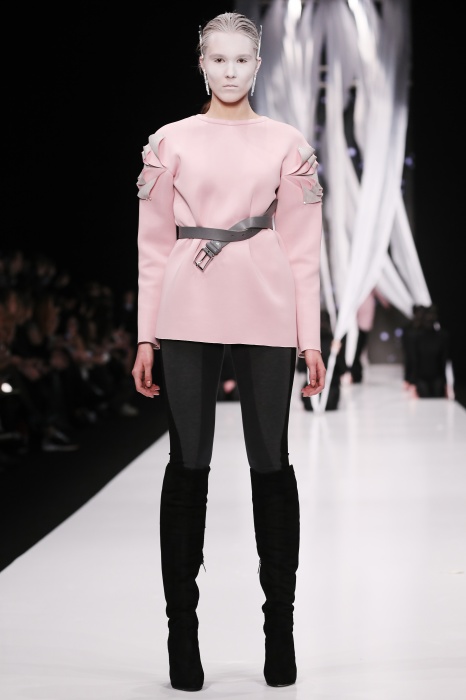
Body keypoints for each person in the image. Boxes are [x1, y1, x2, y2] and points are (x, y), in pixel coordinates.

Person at [131, 12, 325, 692]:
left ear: (259, 63)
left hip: (267, 306)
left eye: (243, 58)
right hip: (186, 304)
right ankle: (182, 637)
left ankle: (280, 633)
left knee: (271, 465)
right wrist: (146, 333)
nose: (231, 70)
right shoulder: (170, 140)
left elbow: (304, 249)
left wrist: (311, 338)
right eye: (219, 58)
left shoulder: (287, 142)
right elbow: (151, 245)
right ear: (202, 63)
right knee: (188, 467)